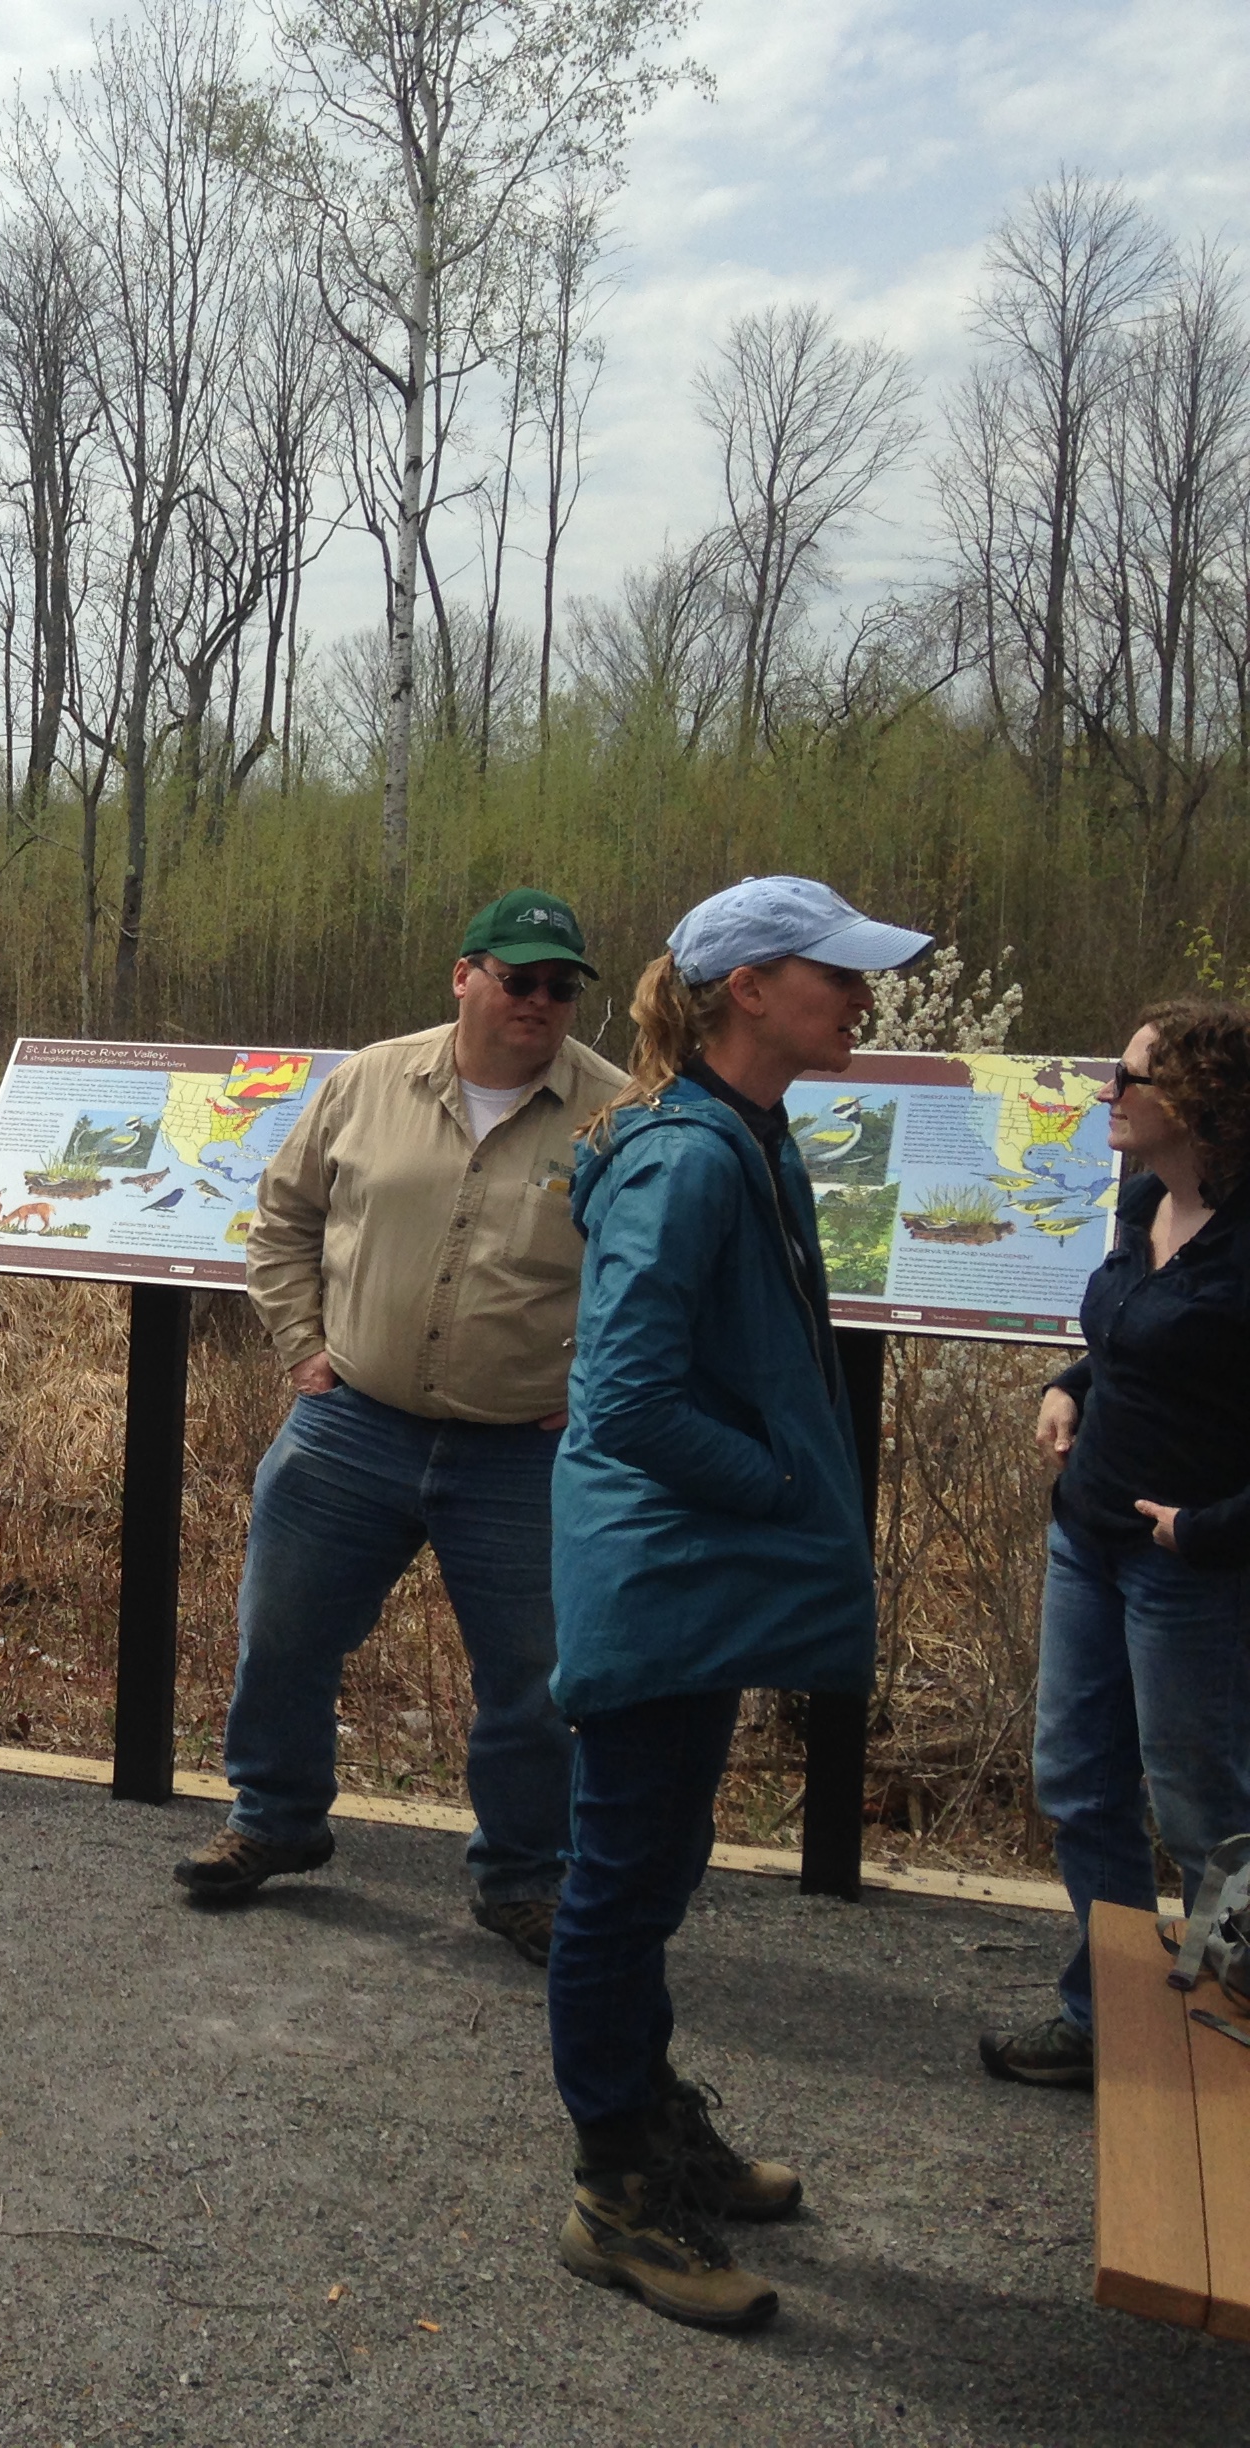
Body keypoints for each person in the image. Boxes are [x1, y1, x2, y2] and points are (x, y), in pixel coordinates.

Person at [543, 875, 928, 2333]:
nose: (862, 997)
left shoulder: (745, 1135)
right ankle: (614, 2196)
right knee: (620, 1886)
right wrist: (780, 1488)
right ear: (751, 989)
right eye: (836, 975)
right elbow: (628, 1396)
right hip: (662, 1576)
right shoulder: (690, 1163)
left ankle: (654, 2124)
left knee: (648, 1872)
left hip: (681, 1576)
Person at [181, 889, 624, 1962]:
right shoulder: (369, 1079)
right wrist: (302, 1348)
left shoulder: (620, 1114)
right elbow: (281, 1221)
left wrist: (601, 1385)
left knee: (533, 1679)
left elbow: (654, 1276)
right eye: (518, 978)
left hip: (524, 1445)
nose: (540, 1001)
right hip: (351, 1427)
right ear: (464, 975)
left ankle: (523, 1876)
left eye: (562, 986)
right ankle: (275, 1821)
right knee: (282, 1636)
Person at [982, 997, 1250, 2090]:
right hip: (1088, 1542)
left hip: (1192, 1568)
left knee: (1205, 1812)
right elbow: (1132, 1339)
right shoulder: (1145, 1198)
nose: (1109, 1096)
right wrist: (1069, 1384)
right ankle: (1111, 2020)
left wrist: (1207, 1529)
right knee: (1081, 1783)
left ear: (1194, 1102)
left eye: (1129, 1080)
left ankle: (1225, 2036)